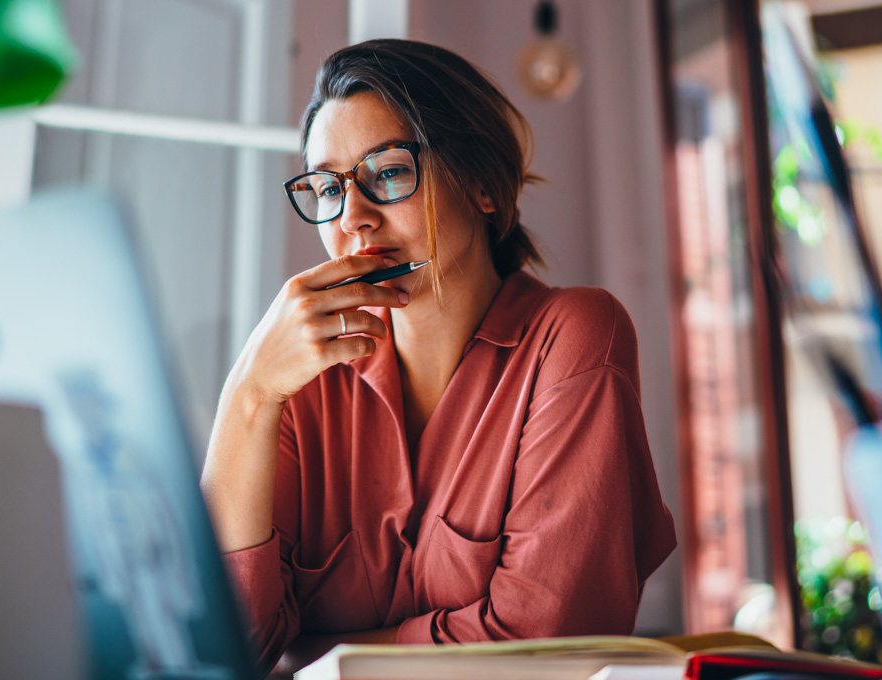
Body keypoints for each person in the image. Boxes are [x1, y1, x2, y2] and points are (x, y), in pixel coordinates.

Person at [200, 38, 676, 673]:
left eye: (389, 171)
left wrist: (314, 658)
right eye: (326, 188)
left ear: (481, 183)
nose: (354, 220)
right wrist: (249, 395)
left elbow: (545, 643)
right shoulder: (298, 380)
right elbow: (224, 651)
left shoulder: (574, 336)